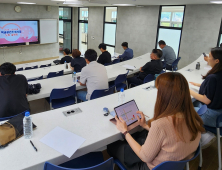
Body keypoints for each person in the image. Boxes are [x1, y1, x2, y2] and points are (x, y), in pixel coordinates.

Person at [108, 72, 204, 170]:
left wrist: (125, 131)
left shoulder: (161, 124)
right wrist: (145, 126)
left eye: (159, 91)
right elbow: (169, 137)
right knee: (140, 138)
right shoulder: (195, 119)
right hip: (174, 164)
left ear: (164, 96)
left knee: (112, 146)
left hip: (150, 167)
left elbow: (144, 156)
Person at [190, 47, 222, 149]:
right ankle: (201, 130)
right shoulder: (218, 74)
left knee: (184, 111)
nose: (207, 58)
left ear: (217, 61)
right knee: (194, 104)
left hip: (212, 116)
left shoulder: (212, 77)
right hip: (219, 113)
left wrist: (188, 91)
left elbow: (206, 100)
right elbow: (216, 88)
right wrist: (199, 85)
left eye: (209, 56)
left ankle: (203, 136)